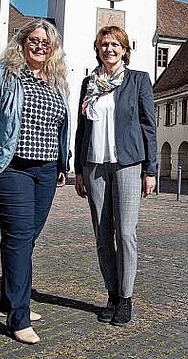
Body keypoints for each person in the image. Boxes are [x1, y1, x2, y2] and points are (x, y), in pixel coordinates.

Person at [0, 19, 70, 344]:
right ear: (22, 42)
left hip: (46, 171)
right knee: (20, 237)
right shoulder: (2, 74)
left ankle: (9, 300)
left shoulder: (56, 81)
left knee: (26, 238)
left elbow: (59, 126)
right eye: (34, 40)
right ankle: (18, 317)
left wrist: (62, 164)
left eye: (46, 42)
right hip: (9, 168)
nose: (40, 46)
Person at [74, 25, 157, 327]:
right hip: (94, 165)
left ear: (124, 50)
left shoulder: (138, 81)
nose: (109, 49)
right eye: (104, 44)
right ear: (97, 49)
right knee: (102, 235)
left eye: (115, 45)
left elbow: (149, 126)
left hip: (128, 164)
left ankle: (127, 296)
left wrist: (151, 169)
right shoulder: (89, 83)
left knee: (125, 233)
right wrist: (78, 168)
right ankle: (111, 293)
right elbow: (82, 129)